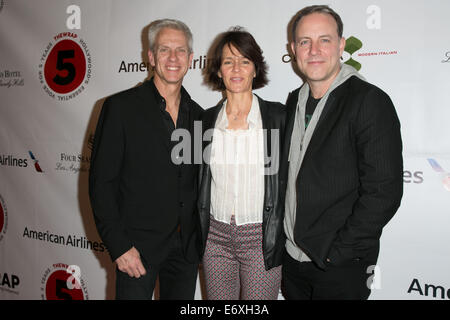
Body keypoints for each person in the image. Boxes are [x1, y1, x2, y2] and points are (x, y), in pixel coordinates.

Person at [281, 5, 403, 300]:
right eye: (304, 41)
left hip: (339, 266)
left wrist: (338, 254)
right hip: (291, 261)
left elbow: (384, 192)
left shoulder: (369, 101)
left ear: (341, 45)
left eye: (324, 39)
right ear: (293, 49)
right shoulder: (291, 103)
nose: (314, 50)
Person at [89, 19, 203, 300]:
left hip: (185, 253)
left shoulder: (200, 116)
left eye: (180, 51)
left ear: (191, 58)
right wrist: (120, 247)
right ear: (151, 57)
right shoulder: (120, 108)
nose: (173, 58)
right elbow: (102, 184)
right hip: (135, 250)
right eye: (165, 50)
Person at [198, 27, 285, 300]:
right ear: (219, 70)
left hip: (261, 237)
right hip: (215, 237)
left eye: (244, 61)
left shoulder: (279, 117)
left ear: (255, 69)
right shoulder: (204, 123)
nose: (236, 68)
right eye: (228, 61)